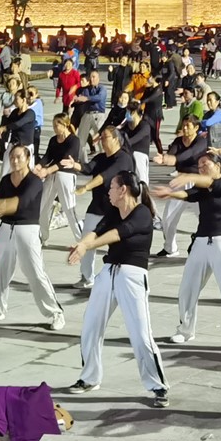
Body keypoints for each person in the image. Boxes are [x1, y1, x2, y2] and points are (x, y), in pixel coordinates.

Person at [65, 170, 169, 408]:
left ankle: (158, 385)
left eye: (112, 187)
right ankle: (89, 378)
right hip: (108, 272)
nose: (108, 192)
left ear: (123, 190)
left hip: (132, 276)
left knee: (141, 334)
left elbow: (116, 234)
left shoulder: (142, 213)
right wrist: (82, 244)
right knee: (90, 326)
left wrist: (88, 246)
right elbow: (98, 229)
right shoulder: (113, 210)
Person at [154, 151, 221, 353]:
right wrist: (170, 193)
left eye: (205, 164)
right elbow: (189, 195)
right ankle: (185, 330)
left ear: (218, 165)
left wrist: (188, 176)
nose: (201, 168)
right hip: (201, 241)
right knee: (187, 289)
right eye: (199, 166)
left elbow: (211, 183)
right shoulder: (202, 187)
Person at [0, 144, 65, 330]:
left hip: (28, 229)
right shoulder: (6, 180)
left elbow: (21, 203)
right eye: (11, 157)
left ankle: (55, 312)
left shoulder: (34, 181)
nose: (14, 161)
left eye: (18, 157)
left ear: (28, 159)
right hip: (5, 229)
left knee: (36, 273)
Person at [67, 125, 132, 290]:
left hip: (117, 209)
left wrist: (86, 187)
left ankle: (120, 278)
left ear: (116, 139)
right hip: (97, 206)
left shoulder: (123, 158)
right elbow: (89, 168)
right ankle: (86, 276)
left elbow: (106, 176)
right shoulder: (101, 157)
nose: (102, 141)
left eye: (105, 137)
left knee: (117, 245)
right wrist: (75, 165)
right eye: (101, 138)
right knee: (86, 240)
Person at [153, 114, 208, 257]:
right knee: (168, 218)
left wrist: (174, 159)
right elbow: (171, 155)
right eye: (183, 125)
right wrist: (164, 159)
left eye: (188, 126)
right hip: (179, 181)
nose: (184, 128)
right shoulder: (178, 141)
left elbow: (190, 153)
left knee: (204, 216)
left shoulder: (201, 141)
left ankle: (206, 244)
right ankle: (170, 248)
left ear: (196, 127)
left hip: (197, 182)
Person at [35, 115, 82, 245]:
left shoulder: (74, 140)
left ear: (65, 125)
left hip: (66, 176)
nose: (55, 128)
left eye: (57, 125)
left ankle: (82, 240)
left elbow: (65, 161)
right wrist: (39, 166)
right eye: (53, 125)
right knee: (43, 206)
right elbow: (48, 156)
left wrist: (47, 171)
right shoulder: (53, 140)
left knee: (69, 209)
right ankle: (42, 236)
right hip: (52, 176)